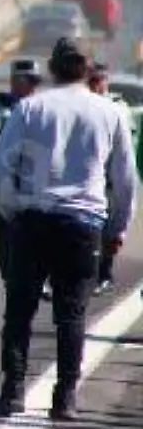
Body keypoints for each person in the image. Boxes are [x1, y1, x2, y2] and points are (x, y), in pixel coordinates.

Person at [0, 38, 136, 420]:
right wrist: (117, 227)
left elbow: (0, 167)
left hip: (33, 220)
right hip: (83, 225)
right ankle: (65, 397)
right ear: (88, 70)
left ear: (52, 69)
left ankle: (13, 392)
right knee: (72, 314)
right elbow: (125, 179)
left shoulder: (30, 108)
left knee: (19, 311)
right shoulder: (110, 112)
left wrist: (12, 210)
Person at [0, 58, 43, 291]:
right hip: (8, 177)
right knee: (5, 230)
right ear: (15, 81)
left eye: (37, 81)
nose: (34, 87)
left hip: (37, 178)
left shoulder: (42, 106)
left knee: (40, 228)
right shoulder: (0, 106)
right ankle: (9, 276)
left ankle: (38, 277)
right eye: (29, 81)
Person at [87, 61, 136, 297]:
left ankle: (104, 271)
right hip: (87, 175)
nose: (95, 85)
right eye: (91, 81)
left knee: (109, 227)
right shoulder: (81, 105)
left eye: (99, 80)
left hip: (111, 175)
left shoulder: (118, 107)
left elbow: (129, 145)